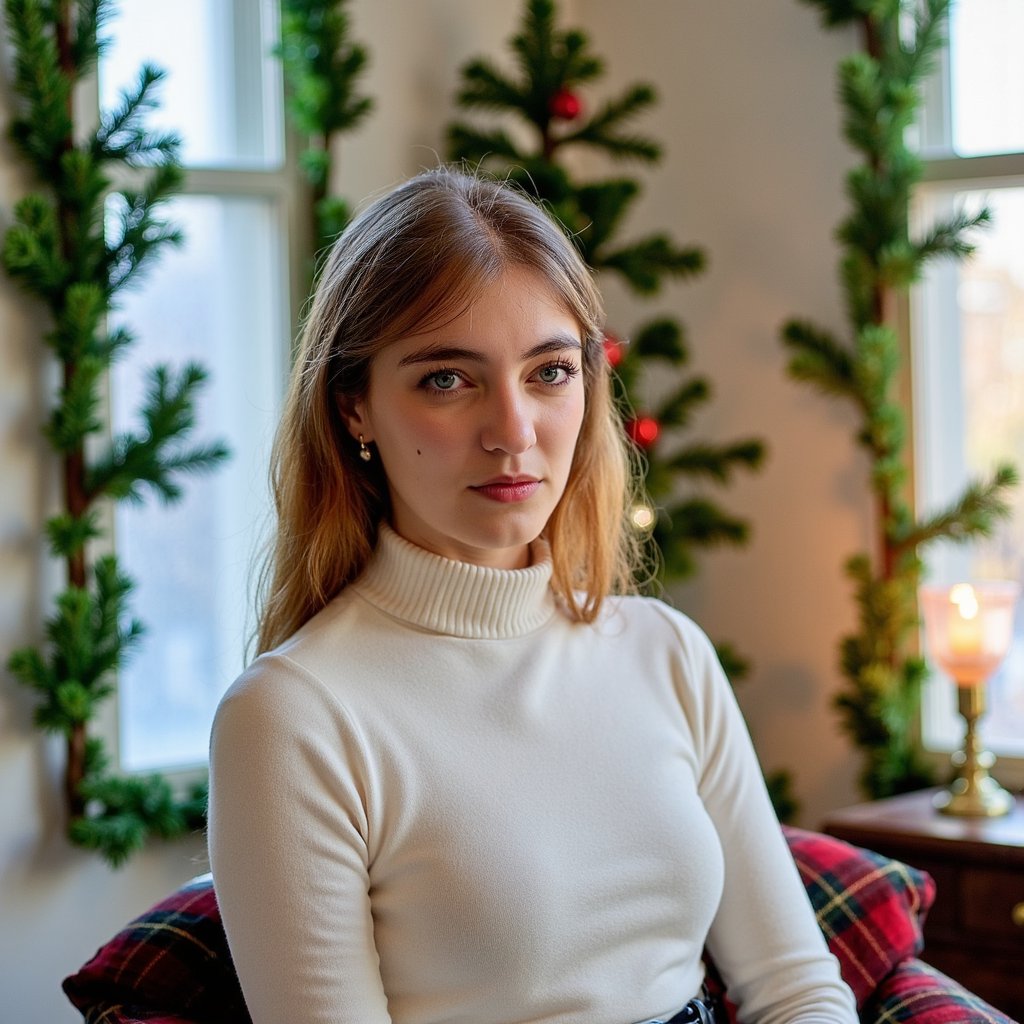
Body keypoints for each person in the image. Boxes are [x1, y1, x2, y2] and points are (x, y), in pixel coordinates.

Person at [207, 167, 858, 1024]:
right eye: (448, 378)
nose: (513, 433)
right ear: (354, 408)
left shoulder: (665, 652)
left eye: (549, 372)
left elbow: (797, 988)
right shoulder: (293, 717)